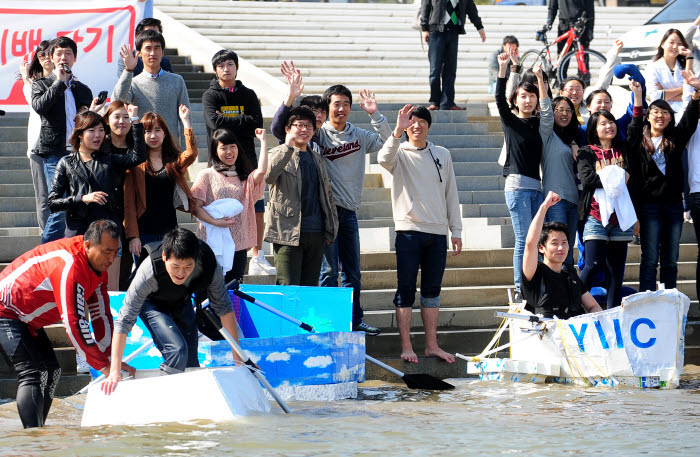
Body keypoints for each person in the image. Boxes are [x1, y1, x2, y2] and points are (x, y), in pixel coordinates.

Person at [0, 220, 132, 428]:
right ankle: (33, 439)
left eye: (116, 252)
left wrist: (111, 360)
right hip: (5, 311)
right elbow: (74, 324)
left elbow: (101, 316)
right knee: (32, 373)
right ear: (88, 245)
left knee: (52, 371)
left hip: (26, 319)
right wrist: (104, 366)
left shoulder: (99, 268)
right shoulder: (69, 264)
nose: (111, 259)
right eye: (107, 251)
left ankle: (38, 432)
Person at [102, 228, 241, 392]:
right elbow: (124, 321)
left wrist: (239, 361)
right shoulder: (149, 271)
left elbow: (224, 308)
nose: (181, 273)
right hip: (151, 303)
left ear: (196, 260)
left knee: (190, 362)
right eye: (175, 266)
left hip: (182, 300)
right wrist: (115, 371)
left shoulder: (209, 264)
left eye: (188, 266)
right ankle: (165, 397)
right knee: (177, 351)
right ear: (164, 257)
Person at [377, 105, 462, 363]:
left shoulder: (442, 154)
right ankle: (406, 346)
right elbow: (382, 159)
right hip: (409, 231)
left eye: (421, 121)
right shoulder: (398, 152)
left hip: (437, 233)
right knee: (405, 290)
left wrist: (456, 230)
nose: (417, 126)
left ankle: (432, 345)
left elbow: (451, 193)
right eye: (412, 122)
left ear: (428, 125)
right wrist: (397, 130)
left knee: (432, 291)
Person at [318, 85, 390, 335]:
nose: (341, 109)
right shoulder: (319, 135)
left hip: (349, 212)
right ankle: (326, 322)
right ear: (328, 107)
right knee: (328, 271)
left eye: (345, 104)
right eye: (336, 104)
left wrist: (375, 115)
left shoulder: (358, 135)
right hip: (326, 213)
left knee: (352, 272)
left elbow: (387, 142)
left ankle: (354, 319)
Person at [47, 108, 145, 287]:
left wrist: (136, 121)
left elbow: (138, 157)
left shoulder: (109, 159)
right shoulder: (66, 163)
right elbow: (52, 203)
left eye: (101, 130)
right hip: (78, 235)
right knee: (76, 288)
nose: (98, 135)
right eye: (92, 131)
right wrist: (82, 198)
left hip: (108, 232)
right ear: (79, 134)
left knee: (110, 291)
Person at [201, 49, 272, 276]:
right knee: (223, 212)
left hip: (247, 164)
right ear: (215, 70)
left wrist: (230, 122)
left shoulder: (249, 94)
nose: (226, 69)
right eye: (221, 65)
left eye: (230, 64)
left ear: (236, 67)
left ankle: (256, 255)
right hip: (221, 167)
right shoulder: (210, 96)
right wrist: (243, 121)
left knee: (255, 210)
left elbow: (257, 123)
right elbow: (214, 122)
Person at [627, 76, 700, 292]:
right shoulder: (637, 141)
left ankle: (670, 300)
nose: (660, 115)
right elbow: (633, 126)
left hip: (673, 207)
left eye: (665, 112)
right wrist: (639, 98)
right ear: (648, 117)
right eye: (656, 112)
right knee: (649, 259)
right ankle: (647, 301)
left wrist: (696, 93)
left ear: (670, 118)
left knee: (671, 259)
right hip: (649, 208)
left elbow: (690, 117)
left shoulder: (676, 138)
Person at [576, 81, 643, 309]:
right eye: (603, 123)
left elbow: (635, 126)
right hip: (596, 217)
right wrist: (616, 176)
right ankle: (571, 304)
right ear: (594, 128)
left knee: (617, 274)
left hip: (621, 219)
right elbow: (588, 181)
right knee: (592, 265)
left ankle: (612, 314)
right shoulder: (587, 152)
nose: (609, 127)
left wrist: (637, 96)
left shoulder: (624, 150)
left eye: (611, 122)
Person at [265, 107, 338, 286]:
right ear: (288, 129)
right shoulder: (277, 153)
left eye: (309, 126)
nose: (304, 129)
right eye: (299, 125)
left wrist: (331, 226)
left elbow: (327, 195)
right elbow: (268, 176)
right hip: (287, 232)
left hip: (316, 232)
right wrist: (288, 148)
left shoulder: (317, 158)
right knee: (288, 286)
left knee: (309, 290)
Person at [495, 54, 548, 299]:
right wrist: (504, 69)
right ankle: (520, 288)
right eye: (523, 96)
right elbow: (499, 99)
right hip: (517, 186)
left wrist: (540, 79)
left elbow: (548, 110)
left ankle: (534, 284)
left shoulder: (539, 123)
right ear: (516, 100)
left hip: (537, 188)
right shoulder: (510, 122)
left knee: (536, 239)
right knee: (523, 240)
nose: (527, 100)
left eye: (531, 96)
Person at [32, 36, 93, 244]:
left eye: (68, 53)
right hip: (54, 152)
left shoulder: (82, 89)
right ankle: (45, 253)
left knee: (77, 205)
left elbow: (87, 120)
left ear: (74, 58)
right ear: (51, 57)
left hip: (78, 153)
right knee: (58, 206)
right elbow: (40, 107)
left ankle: (67, 250)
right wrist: (59, 82)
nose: (63, 57)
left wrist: (93, 112)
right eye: (58, 53)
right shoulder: (41, 84)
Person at [191, 128, 268, 284]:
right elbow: (195, 207)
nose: (229, 151)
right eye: (223, 147)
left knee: (233, 288)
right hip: (210, 243)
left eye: (232, 146)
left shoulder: (244, 177)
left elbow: (261, 172)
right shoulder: (206, 175)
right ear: (215, 150)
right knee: (209, 287)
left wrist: (264, 141)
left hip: (236, 245)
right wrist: (216, 222)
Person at [124, 107, 197, 262]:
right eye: (147, 131)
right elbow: (129, 204)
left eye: (157, 130)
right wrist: (133, 236)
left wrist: (185, 121)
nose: (153, 136)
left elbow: (191, 154)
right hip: (144, 232)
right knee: (144, 275)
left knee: (168, 274)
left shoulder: (173, 162)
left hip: (169, 230)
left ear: (165, 133)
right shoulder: (135, 164)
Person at [522, 191, 603, 318]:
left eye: (564, 242)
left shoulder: (572, 277)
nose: (561, 248)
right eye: (554, 243)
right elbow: (530, 244)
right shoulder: (534, 274)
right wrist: (544, 207)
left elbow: (594, 306)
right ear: (541, 248)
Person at [113, 29, 190, 147]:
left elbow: (185, 117)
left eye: (157, 48)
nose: (153, 53)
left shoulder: (177, 81)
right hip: (142, 149)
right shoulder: (133, 82)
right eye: (148, 48)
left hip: (171, 149)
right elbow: (118, 99)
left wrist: (185, 150)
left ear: (163, 52)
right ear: (139, 53)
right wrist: (128, 70)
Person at [420, 0, 485, 111]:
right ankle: (435, 101)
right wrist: (424, 28)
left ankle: (447, 103)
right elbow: (425, 6)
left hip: (453, 31)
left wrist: (479, 27)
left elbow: (471, 8)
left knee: (450, 70)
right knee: (435, 70)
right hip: (436, 32)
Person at [102, 100, 138, 289]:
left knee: (125, 267)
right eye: (117, 117)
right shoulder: (100, 148)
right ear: (107, 120)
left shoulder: (137, 146)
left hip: (132, 212)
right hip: (108, 212)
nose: (122, 121)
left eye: (126, 117)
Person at [540, 95, 580, 266]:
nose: (565, 113)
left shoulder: (571, 139)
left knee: (568, 249)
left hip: (574, 200)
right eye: (560, 110)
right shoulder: (547, 136)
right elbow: (545, 114)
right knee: (557, 250)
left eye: (568, 110)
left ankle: (569, 289)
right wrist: (541, 81)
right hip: (556, 200)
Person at [20, 41, 53, 233]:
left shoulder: (68, 82)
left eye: (50, 53)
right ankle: (46, 237)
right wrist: (26, 80)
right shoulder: (33, 85)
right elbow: (37, 105)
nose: (47, 58)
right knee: (43, 197)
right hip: (38, 147)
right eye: (42, 55)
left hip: (63, 146)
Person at [270, 61, 327, 152]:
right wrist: (290, 97)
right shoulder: (293, 133)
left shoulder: (320, 137)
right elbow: (276, 127)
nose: (319, 115)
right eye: (315, 111)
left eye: (323, 112)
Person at [645, 29, 692, 117]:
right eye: (671, 42)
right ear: (663, 44)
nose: (675, 47)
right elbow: (654, 96)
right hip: (662, 114)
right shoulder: (653, 67)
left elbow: (692, 94)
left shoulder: (684, 66)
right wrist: (682, 89)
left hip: (686, 111)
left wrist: (689, 57)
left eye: (679, 44)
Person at [546, 0, 595, 82]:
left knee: (583, 58)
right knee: (562, 58)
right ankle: (560, 82)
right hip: (564, 26)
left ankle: (584, 84)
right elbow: (552, 7)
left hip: (581, 26)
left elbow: (590, 9)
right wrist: (549, 22)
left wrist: (590, 29)